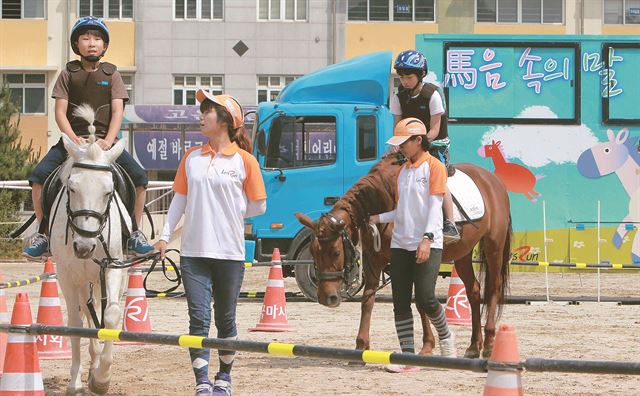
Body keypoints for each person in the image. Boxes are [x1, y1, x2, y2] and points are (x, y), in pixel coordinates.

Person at [154, 90, 266, 396]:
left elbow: (259, 205)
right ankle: (202, 382)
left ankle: (224, 378)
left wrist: (231, 209)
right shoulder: (192, 158)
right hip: (193, 253)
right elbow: (179, 200)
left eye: (208, 111)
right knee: (198, 318)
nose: (201, 116)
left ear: (226, 121)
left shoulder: (245, 161)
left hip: (230, 252)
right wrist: (164, 236)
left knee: (226, 318)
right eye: (202, 111)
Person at [23, 16, 153, 259]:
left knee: (140, 178)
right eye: (85, 38)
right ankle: (42, 233)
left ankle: (135, 232)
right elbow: (60, 113)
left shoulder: (112, 74)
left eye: (97, 38)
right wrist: (73, 139)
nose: (91, 43)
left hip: (105, 143)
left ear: (104, 45)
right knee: (38, 178)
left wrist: (108, 140)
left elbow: (117, 111)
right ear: (76, 43)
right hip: (72, 144)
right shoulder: (67, 74)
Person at [370, 118, 456, 372]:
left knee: (427, 298)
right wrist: (378, 218)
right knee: (399, 301)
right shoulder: (404, 171)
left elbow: (434, 206)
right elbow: (402, 210)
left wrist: (427, 239)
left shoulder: (434, 167)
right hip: (400, 243)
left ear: (418, 140)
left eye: (404, 143)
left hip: (428, 242)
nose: (400, 149)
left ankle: (447, 340)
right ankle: (408, 356)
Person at [390, 49, 460, 244]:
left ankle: (450, 223)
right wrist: (398, 145)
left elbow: (435, 129)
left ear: (421, 75)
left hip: (433, 144)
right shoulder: (398, 97)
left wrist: (421, 146)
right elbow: (398, 126)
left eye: (409, 77)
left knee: (440, 180)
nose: (404, 81)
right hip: (408, 143)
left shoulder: (433, 95)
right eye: (402, 77)